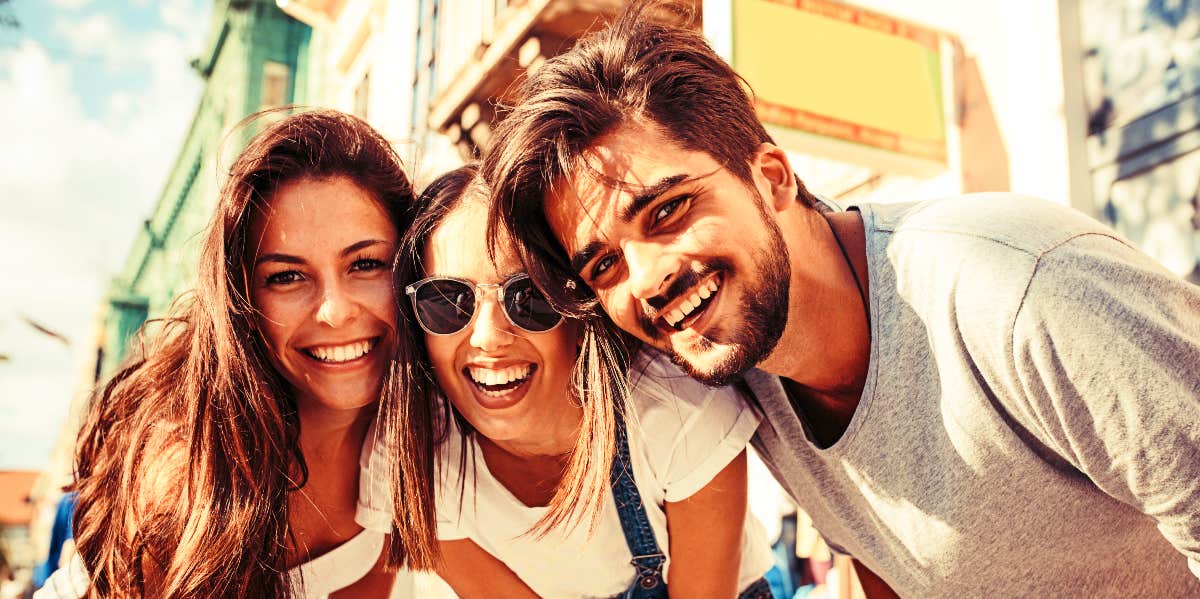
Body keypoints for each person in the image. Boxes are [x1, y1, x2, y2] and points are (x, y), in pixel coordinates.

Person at [480, 3, 1200, 597]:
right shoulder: (745, 372)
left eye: (667, 211)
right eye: (603, 264)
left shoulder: (1020, 292)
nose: (646, 279)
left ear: (772, 177)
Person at [37, 109, 441, 598]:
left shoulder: (414, 436)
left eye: (366, 264)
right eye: (287, 276)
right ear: (244, 301)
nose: (334, 310)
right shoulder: (191, 476)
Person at [365, 163, 777, 598]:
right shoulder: (410, 457)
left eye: (527, 297)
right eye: (448, 301)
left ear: (579, 314)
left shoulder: (677, 410)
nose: (487, 337)